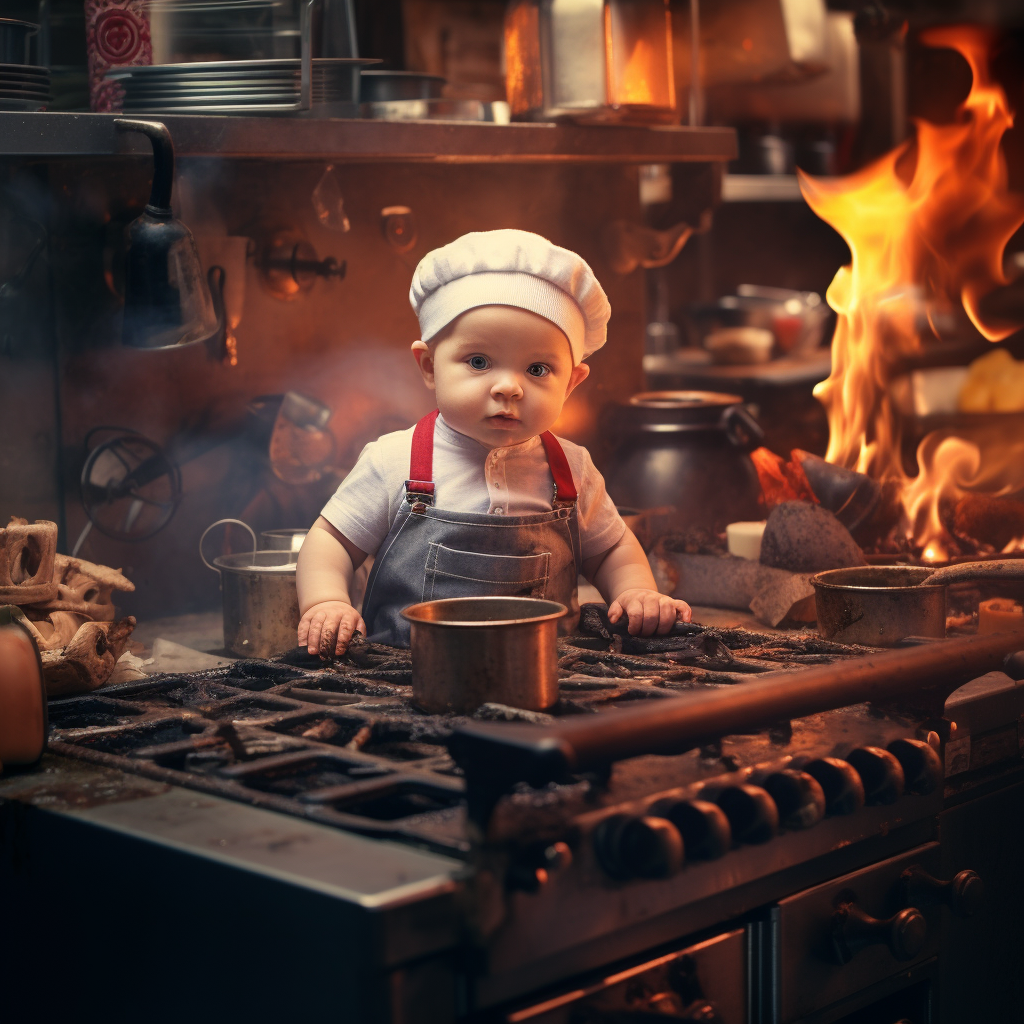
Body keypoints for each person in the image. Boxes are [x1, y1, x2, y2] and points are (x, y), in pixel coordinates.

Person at [296, 229, 691, 656]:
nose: (509, 387)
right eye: (479, 362)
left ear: (572, 382)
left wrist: (635, 592)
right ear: (429, 366)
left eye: (538, 369)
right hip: (402, 674)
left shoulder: (571, 468)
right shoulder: (395, 460)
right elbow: (331, 540)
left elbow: (611, 548)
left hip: (543, 672)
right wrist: (327, 601)